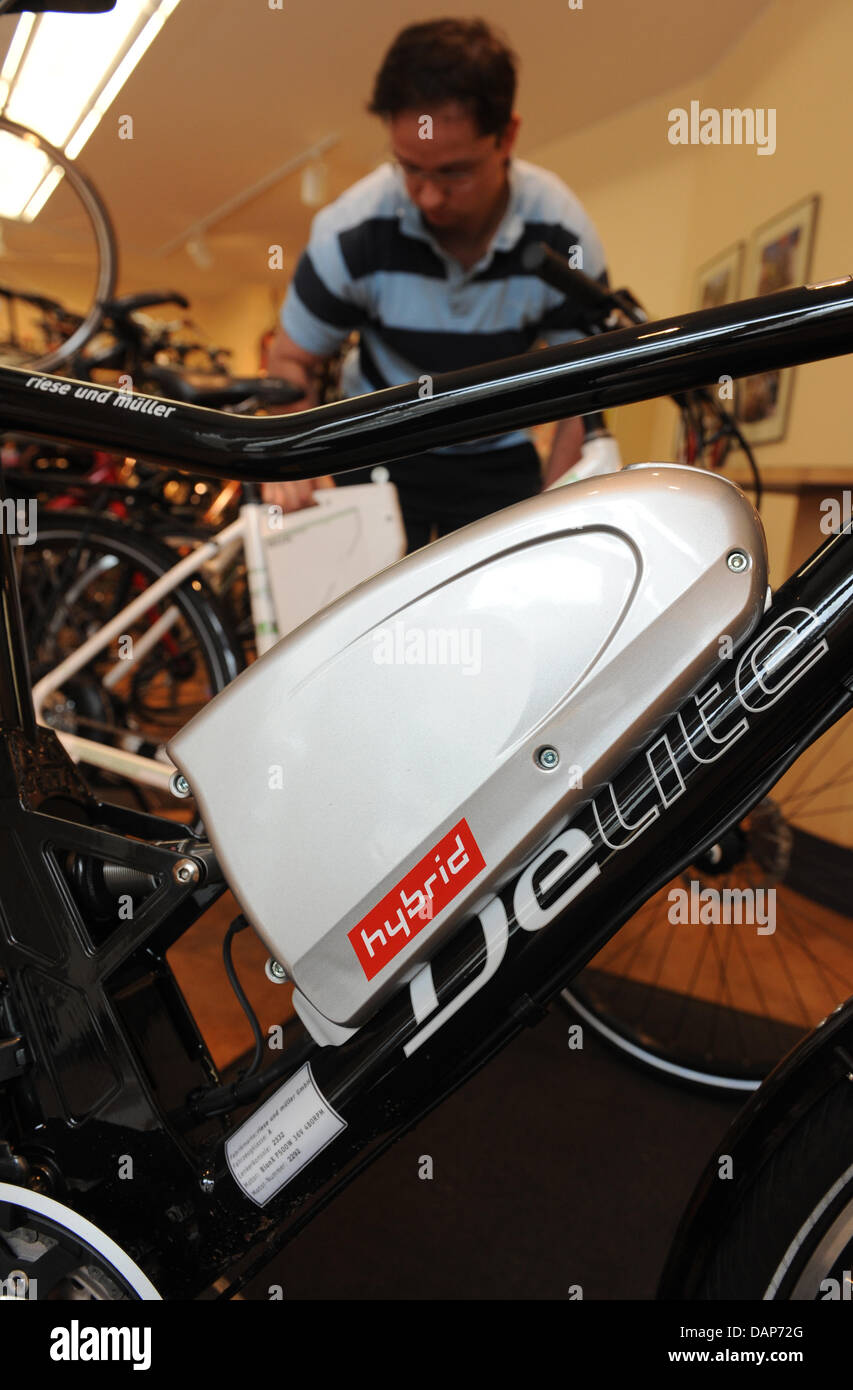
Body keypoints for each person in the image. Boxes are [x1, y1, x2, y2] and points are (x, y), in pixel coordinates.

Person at [264, 17, 609, 552]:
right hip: (374, 446)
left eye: (453, 172)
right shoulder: (351, 231)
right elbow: (289, 362)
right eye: (409, 168)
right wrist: (297, 458)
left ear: (508, 137)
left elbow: (585, 388)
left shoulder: (562, 234)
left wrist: (554, 508)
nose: (427, 197)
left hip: (498, 456)